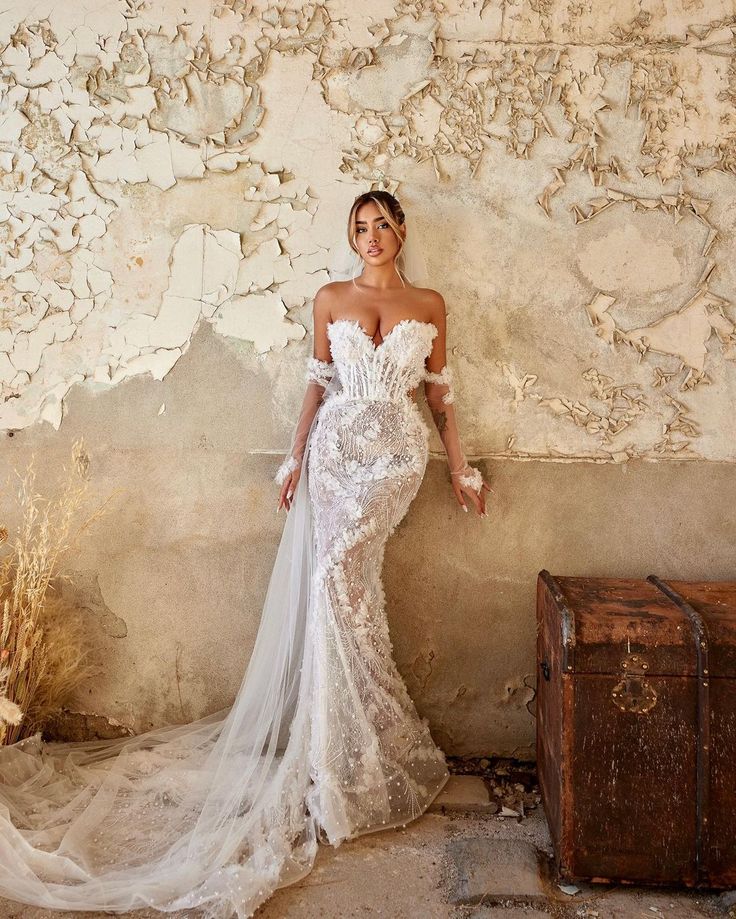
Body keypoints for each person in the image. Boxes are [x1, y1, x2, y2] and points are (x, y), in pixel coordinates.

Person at [0, 190, 490, 918]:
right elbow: (317, 385)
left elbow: (439, 394)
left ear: (402, 229)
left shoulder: (431, 301)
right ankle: (336, 758)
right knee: (332, 589)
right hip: (333, 457)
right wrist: (293, 460)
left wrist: (460, 466)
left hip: (392, 460)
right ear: (350, 235)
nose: (371, 237)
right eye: (359, 226)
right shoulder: (330, 297)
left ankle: (361, 747)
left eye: (382, 224)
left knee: (350, 587)